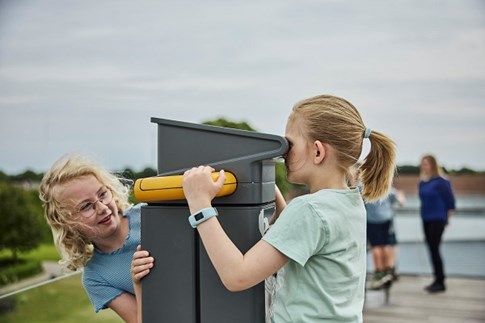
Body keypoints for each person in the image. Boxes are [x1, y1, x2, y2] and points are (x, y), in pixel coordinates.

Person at [132, 94, 397, 322]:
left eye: (289, 144)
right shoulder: (349, 203)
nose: (283, 153)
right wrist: (267, 189)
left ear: (317, 152)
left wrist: (200, 204)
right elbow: (297, 238)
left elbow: (237, 276)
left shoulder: (309, 210)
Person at [39, 154, 143, 322]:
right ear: (68, 223)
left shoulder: (150, 214)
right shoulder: (95, 277)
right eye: (86, 206)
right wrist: (140, 284)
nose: (102, 207)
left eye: (102, 194)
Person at [418, 154, 455, 293]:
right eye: (422, 163)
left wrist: (448, 217)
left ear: (433, 165)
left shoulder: (441, 181)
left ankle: (440, 281)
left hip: (438, 218)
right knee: (431, 249)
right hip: (426, 218)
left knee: (435, 248)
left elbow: (450, 201)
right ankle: (437, 279)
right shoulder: (422, 181)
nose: (423, 166)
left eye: (426, 163)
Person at [365, 187, 405, 290]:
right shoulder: (387, 188)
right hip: (386, 219)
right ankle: (389, 271)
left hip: (371, 221)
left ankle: (379, 274)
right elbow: (400, 202)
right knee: (388, 244)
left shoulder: (363, 187)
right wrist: (400, 196)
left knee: (376, 247)